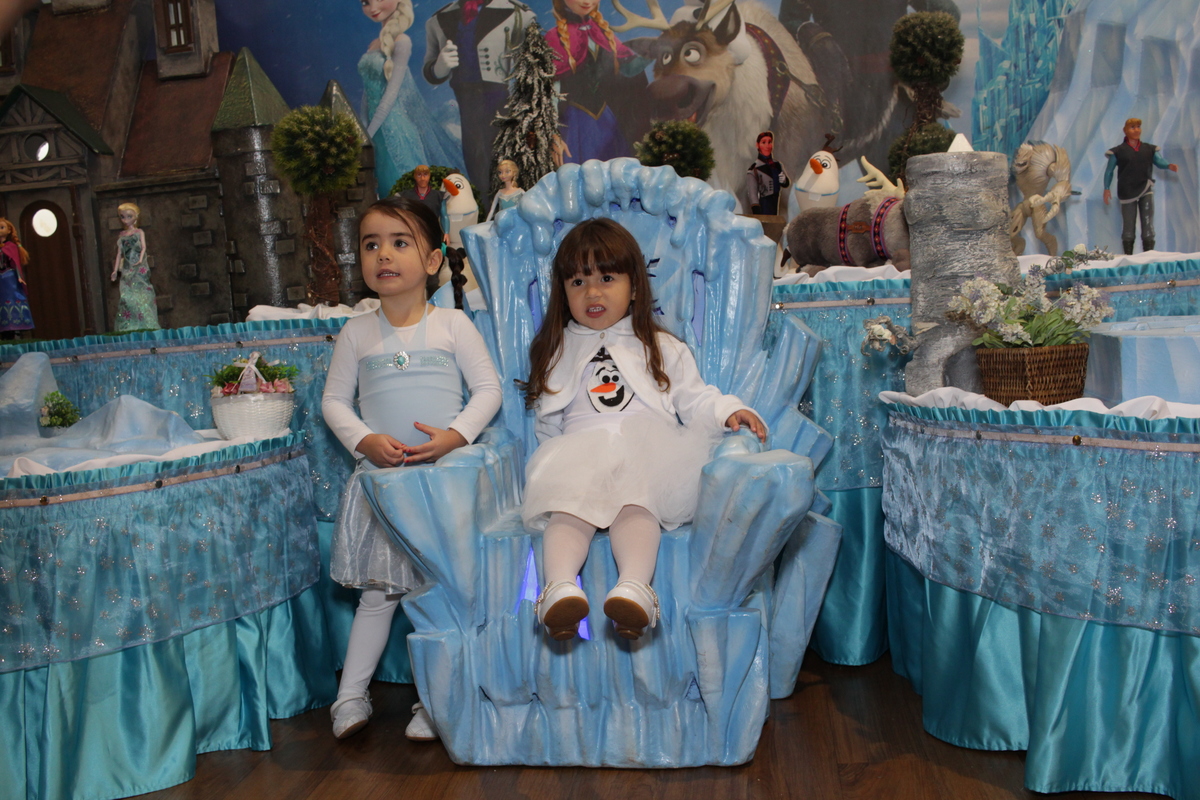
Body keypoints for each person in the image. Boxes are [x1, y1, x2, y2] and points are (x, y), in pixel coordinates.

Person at [520, 218, 766, 641]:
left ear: (634, 286)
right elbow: (548, 421)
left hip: (646, 452)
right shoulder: (557, 350)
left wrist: (729, 409)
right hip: (581, 453)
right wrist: (553, 469)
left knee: (638, 505)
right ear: (563, 292)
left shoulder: (660, 345)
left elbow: (695, 398)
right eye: (578, 282)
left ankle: (633, 589)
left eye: (607, 278)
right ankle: (559, 588)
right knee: (567, 508)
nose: (592, 292)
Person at [322, 196, 502, 741]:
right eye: (371, 244)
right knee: (378, 597)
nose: (384, 254)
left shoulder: (453, 325)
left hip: (442, 488)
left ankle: (434, 700)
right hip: (386, 488)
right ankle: (350, 697)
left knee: (440, 591)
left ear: (431, 260)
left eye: (400, 243)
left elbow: (488, 390)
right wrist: (364, 441)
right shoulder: (357, 332)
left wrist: (455, 436)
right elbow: (334, 402)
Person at [422, 0, 531, 197]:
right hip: (465, 96)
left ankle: (508, 200)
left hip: (498, 95)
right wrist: (440, 66)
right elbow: (430, 69)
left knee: (501, 151)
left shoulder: (517, 13)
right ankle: (486, 203)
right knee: (474, 155)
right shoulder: (438, 20)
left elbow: (534, 61)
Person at [359, 0, 461, 198]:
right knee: (382, 186)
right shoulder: (373, 45)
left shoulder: (402, 41)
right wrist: (364, 127)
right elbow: (368, 92)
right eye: (365, 2)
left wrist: (369, 132)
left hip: (393, 125)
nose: (373, 8)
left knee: (399, 181)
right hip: (374, 126)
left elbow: (391, 94)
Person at [545, 0, 651, 164]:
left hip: (605, 118)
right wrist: (553, 132)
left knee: (614, 166)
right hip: (575, 121)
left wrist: (655, 51)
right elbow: (552, 90)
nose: (587, 1)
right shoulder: (554, 37)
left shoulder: (601, 32)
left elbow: (628, 69)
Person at [1103, 118, 1178, 255]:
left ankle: (1148, 254)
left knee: (1148, 222)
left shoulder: (1149, 149)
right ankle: (1128, 255)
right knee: (1128, 226)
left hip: (1145, 187)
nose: (1136, 130)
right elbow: (1109, 171)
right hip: (1127, 191)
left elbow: (1159, 161)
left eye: (1138, 126)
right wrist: (1106, 188)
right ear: (1125, 130)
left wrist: (1168, 165)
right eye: (1132, 127)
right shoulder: (1118, 151)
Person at [110, 203, 160, 332]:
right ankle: (129, 324)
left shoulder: (139, 232)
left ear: (136, 217)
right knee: (127, 296)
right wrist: (115, 270)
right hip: (127, 268)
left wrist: (140, 259)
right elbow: (119, 254)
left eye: (129, 216)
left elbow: (143, 247)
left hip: (138, 268)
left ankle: (146, 323)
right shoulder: (122, 235)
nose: (125, 220)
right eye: (122, 217)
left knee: (142, 294)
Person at [0, 217, 32, 338]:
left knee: (11, 301)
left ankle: (14, 328)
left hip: (9, 278)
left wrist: (19, 276)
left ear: (9, 230)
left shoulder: (11, 247)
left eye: (2, 227)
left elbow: (16, 263)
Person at [746, 131, 790, 215]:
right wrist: (756, 209)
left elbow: (786, 183)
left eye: (769, 142)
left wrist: (784, 180)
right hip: (763, 204)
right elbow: (752, 193)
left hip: (776, 202)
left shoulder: (777, 165)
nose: (767, 146)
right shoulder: (754, 169)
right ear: (757, 145)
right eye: (764, 142)